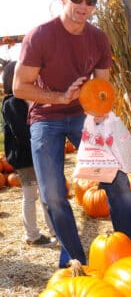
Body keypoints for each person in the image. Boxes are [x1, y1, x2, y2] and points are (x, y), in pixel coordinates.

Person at [12, 0, 131, 268]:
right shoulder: (41, 35)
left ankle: (130, 254)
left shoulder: (98, 39)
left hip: (83, 114)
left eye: (90, 0)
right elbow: (19, 87)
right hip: (45, 118)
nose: (83, 6)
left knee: (118, 181)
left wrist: (96, 108)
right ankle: (74, 259)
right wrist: (61, 97)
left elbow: (103, 87)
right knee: (53, 194)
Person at [1, 60, 57, 246]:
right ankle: (32, 235)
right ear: (14, 78)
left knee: (44, 194)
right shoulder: (12, 103)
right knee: (31, 194)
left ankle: (54, 231)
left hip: (35, 153)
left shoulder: (26, 100)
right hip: (25, 157)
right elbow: (22, 132)